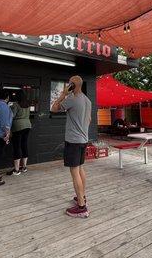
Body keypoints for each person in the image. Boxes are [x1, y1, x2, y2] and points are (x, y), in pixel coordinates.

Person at [50, 75, 92, 218]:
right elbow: (89, 120)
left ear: (72, 85)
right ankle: (82, 196)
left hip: (73, 141)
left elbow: (54, 108)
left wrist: (63, 94)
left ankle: (81, 207)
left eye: (69, 83)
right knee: (80, 168)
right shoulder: (87, 100)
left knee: (75, 172)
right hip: (83, 139)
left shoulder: (72, 99)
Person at [7, 90, 32, 175]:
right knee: (24, 145)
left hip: (18, 126)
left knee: (17, 146)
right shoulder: (28, 104)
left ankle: (16, 169)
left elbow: (12, 116)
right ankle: (24, 167)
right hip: (27, 125)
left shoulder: (15, 105)